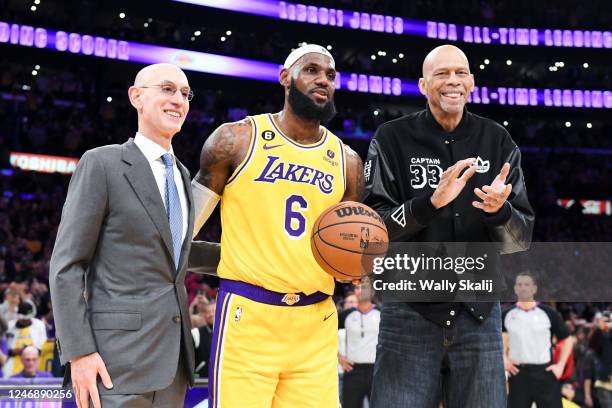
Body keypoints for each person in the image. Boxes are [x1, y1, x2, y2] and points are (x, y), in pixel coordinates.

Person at [191, 43, 363, 407]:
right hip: (249, 314)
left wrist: (356, 266)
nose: (323, 81)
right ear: (285, 78)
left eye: (330, 75)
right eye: (312, 71)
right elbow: (183, 227)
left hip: (316, 321)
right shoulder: (235, 140)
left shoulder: (347, 161)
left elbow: (348, 249)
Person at [363, 44, 534, 408]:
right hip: (409, 311)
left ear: (472, 82)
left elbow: (519, 239)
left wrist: (499, 212)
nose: (452, 81)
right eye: (442, 74)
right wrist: (430, 204)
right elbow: (372, 230)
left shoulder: (498, 140)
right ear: (423, 85)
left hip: (479, 314)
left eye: (460, 73)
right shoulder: (391, 139)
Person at [50, 63, 197, 408]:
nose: (178, 99)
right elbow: (66, 265)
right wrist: (79, 352)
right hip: (114, 364)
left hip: (174, 365)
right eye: (167, 89)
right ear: (136, 97)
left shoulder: (182, 174)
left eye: (185, 93)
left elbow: (175, 253)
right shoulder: (102, 163)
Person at [503, 272, 574, 408]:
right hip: (518, 373)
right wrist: (504, 359)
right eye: (519, 284)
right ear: (515, 289)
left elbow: (567, 340)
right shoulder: (506, 314)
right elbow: (499, 341)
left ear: (534, 289)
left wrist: (560, 366)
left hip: (545, 372)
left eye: (527, 284)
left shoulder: (548, 313)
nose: (523, 288)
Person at [338, 279, 380, 408]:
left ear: (372, 291)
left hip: (376, 371)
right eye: (357, 287)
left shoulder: (382, 313)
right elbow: (326, 333)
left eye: (364, 287)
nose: (360, 290)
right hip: (353, 370)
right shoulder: (346, 315)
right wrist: (338, 357)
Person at [3, 302, 47, 377]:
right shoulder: (9, 326)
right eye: (23, 319)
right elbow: (5, 349)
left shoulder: (39, 325)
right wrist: (14, 351)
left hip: (32, 363)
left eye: (27, 319)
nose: (24, 321)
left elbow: (43, 346)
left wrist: (29, 350)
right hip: (12, 365)